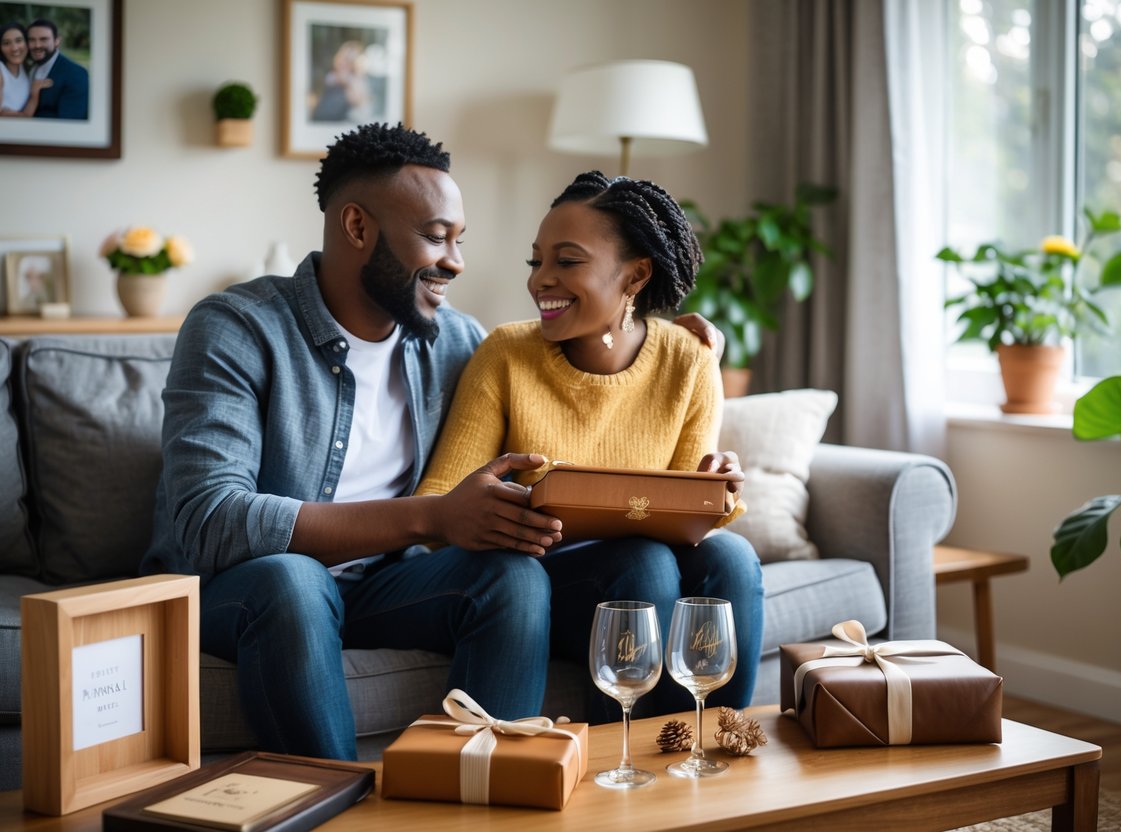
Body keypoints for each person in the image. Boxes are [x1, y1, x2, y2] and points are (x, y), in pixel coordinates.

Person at [140, 123, 720, 761]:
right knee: (294, 582)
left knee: (511, 575)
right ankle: (339, 808)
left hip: (391, 586)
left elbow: (569, 362)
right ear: (358, 228)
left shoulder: (456, 342)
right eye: (435, 237)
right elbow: (208, 520)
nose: (456, 261)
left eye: (459, 240)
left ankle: (484, 791)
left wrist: (663, 332)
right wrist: (430, 516)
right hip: (249, 590)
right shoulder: (236, 328)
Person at [415, 171, 764, 720]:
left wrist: (714, 490)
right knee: (642, 562)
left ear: (636, 275)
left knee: (733, 557)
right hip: (537, 583)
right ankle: (626, 761)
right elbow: (438, 501)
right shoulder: (505, 353)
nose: (541, 280)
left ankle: (713, 742)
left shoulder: (690, 358)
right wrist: (503, 507)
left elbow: (682, 525)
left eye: (567, 261)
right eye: (537, 262)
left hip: (646, 580)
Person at [0, 22, 52, 117]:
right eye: (6, 43)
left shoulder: (27, 67)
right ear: (0, 47)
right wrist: (34, 95)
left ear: (26, 43)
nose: (14, 48)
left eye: (19, 41)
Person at [27, 18, 88, 120]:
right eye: (32, 40)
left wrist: (23, 118)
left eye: (44, 39)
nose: (37, 45)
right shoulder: (29, 67)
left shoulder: (76, 74)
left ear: (57, 41)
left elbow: (68, 122)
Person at [310, 41, 369, 122]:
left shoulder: (354, 81)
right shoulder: (327, 76)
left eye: (348, 59)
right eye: (342, 56)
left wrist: (349, 82)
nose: (343, 62)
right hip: (318, 122)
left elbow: (359, 102)